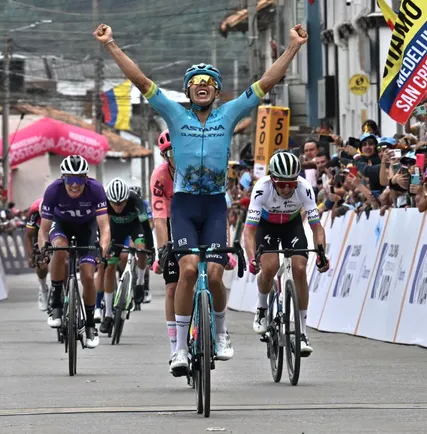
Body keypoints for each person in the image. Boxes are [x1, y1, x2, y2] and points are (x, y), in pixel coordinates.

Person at [94, 22, 308, 375]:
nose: (202, 88)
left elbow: (267, 82)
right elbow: (140, 80)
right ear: (188, 91)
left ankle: (221, 334)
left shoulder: (229, 113)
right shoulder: (175, 114)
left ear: (218, 92)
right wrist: (111, 44)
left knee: (215, 272)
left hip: (213, 206)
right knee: (189, 270)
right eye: (196, 84)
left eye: (209, 84)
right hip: (184, 205)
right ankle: (178, 349)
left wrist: (293, 47)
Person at [243, 151, 330, 356]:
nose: (286, 188)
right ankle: (262, 308)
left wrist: (321, 254)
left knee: (300, 269)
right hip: (267, 226)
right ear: (272, 180)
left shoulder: (304, 188)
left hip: (291, 225)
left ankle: (302, 332)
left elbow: (317, 228)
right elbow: (249, 231)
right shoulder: (261, 189)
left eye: (290, 184)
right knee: (270, 266)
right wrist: (252, 258)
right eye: (281, 184)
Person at [38, 155, 110, 349]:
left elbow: (104, 227)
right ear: (64, 179)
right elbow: (43, 230)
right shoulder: (53, 190)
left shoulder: (95, 190)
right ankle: (56, 304)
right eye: (71, 179)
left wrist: (103, 250)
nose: (75, 185)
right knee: (59, 249)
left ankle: (89, 325)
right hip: (61, 226)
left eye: (79, 179)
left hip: (87, 229)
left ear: (86, 179)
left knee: (88, 275)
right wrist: (44, 249)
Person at [97, 177, 154, 336]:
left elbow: (146, 227)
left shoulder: (136, 200)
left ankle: (140, 283)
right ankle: (107, 314)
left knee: (141, 249)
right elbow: (102, 229)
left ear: (127, 198)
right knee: (109, 268)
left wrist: (152, 248)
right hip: (115, 231)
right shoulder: (104, 203)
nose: (118, 207)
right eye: (114, 204)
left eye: (121, 203)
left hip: (136, 227)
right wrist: (102, 250)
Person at [150, 130, 180, 368]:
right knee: (171, 286)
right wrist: (163, 251)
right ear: (164, 155)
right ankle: (174, 347)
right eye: (170, 153)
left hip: (192, 218)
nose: (175, 156)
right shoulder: (160, 175)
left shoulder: (194, 168)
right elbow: (160, 218)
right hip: (170, 221)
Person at [24, 197, 49, 311]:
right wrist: (31, 257)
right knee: (41, 261)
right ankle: (43, 288)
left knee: (64, 259)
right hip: (39, 232)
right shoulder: (34, 210)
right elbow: (29, 235)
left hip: (57, 229)